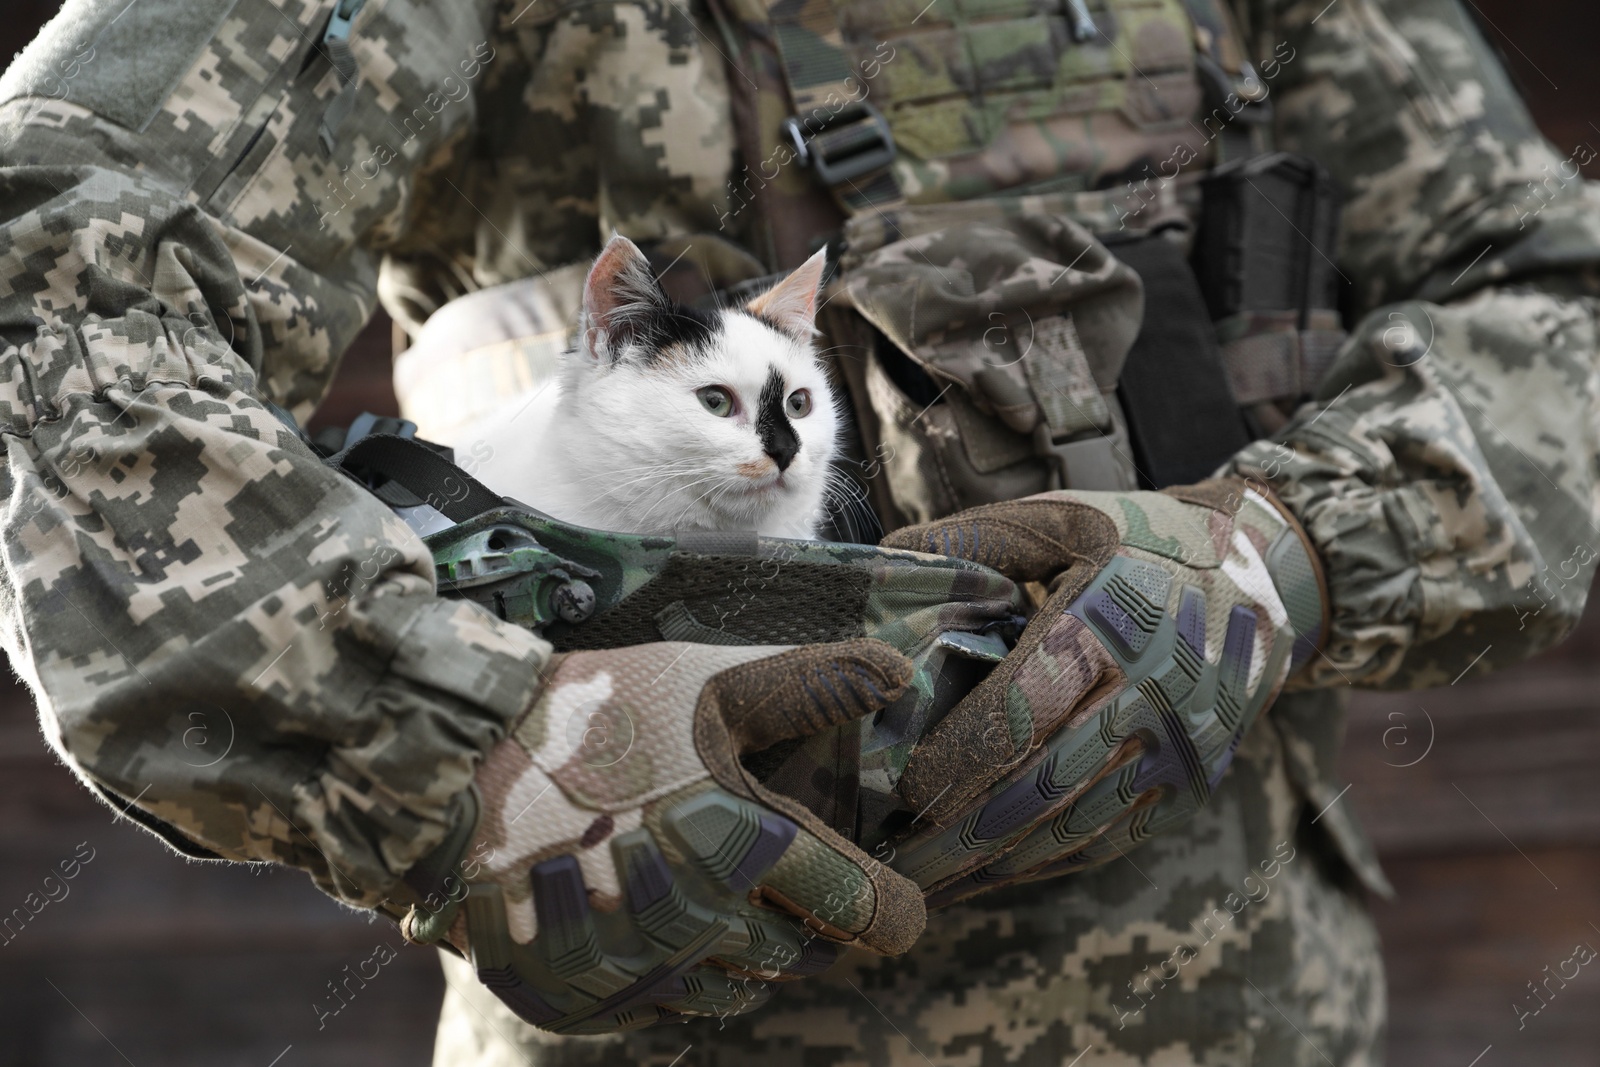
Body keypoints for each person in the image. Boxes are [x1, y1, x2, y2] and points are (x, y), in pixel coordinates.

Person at [0, 0, 1595, 1064]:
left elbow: (1554, 295)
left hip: (1238, 1014)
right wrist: (452, 737)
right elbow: (51, 241)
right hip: (657, 1006)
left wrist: (1297, 546)